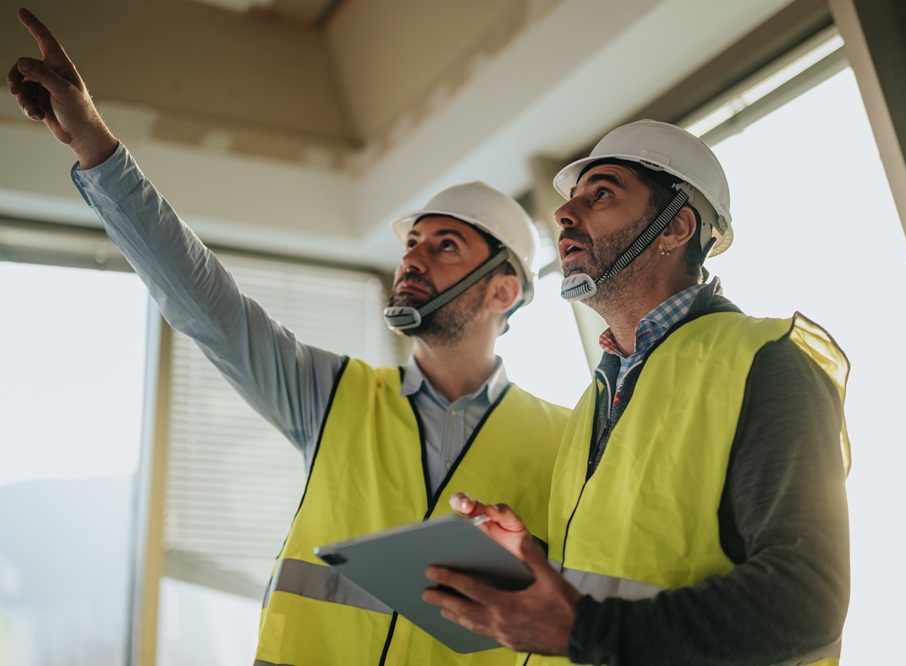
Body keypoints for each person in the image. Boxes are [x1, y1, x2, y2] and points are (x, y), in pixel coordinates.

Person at [8, 8, 569, 666]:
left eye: (446, 245)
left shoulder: (567, 441)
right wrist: (94, 146)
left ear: (504, 291)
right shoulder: (334, 396)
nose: (414, 259)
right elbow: (203, 301)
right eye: (412, 243)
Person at [423, 119, 852, 666]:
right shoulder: (596, 397)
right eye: (572, 198)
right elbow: (628, 570)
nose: (564, 213)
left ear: (676, 228)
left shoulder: (766, 362)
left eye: (601, 193)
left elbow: (805, 604)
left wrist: (583, 628)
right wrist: (537, 562)